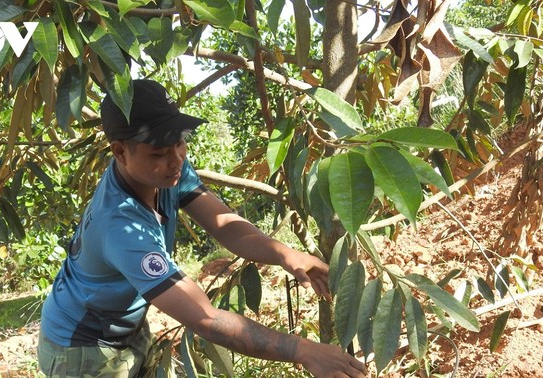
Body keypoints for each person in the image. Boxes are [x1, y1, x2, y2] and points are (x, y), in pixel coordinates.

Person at [37, 79, 367, 378]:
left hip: (122, 325)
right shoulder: (121, 227)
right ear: (120, 152)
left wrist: (285, 254)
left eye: (180, 143)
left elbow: (225, 226)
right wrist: (304, 351)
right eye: (160, 152)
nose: (177, 158)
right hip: (82, 350)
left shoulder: (165, 173)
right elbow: (204, 318)